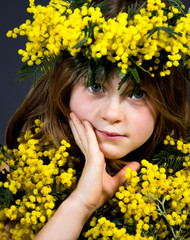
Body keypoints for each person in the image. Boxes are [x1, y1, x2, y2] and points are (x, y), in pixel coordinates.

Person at [2, 0, 190, 239]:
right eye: (95, 86)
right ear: (65, 87)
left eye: (138, 93)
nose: (111, 114)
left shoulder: (181, 195)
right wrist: (79, 206)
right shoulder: (16, 180)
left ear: (167, 101)